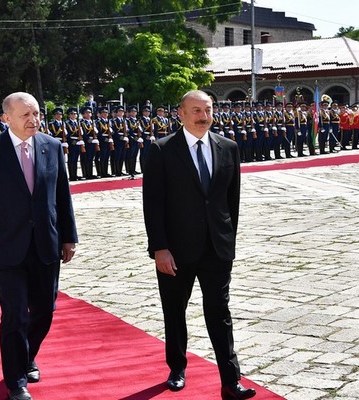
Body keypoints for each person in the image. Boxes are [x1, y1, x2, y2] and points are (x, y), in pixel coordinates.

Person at [0, 92, 78, 400]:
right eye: (26, 114)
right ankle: (16, 381)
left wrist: (69, 237)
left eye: (36, 113)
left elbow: (62, 194)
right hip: (6, 246)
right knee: (15, 314)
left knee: (45, 310)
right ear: (7, 118)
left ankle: (26, 356)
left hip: (46, 244)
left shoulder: (51, 146)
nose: (33, 120)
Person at [142, 90, 255, 400]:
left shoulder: (228, 148)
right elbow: (152, 203)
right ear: (181, 113)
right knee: (175, 311)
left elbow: (232, 200)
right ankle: (177, 367)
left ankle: (231, 380)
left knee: (220, 312)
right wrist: (159, 248)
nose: (203, 115)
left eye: (207, 109)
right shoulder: (161, 150)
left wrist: (228, 240)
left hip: (216, 249)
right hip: (175, 251)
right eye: (195, 110)